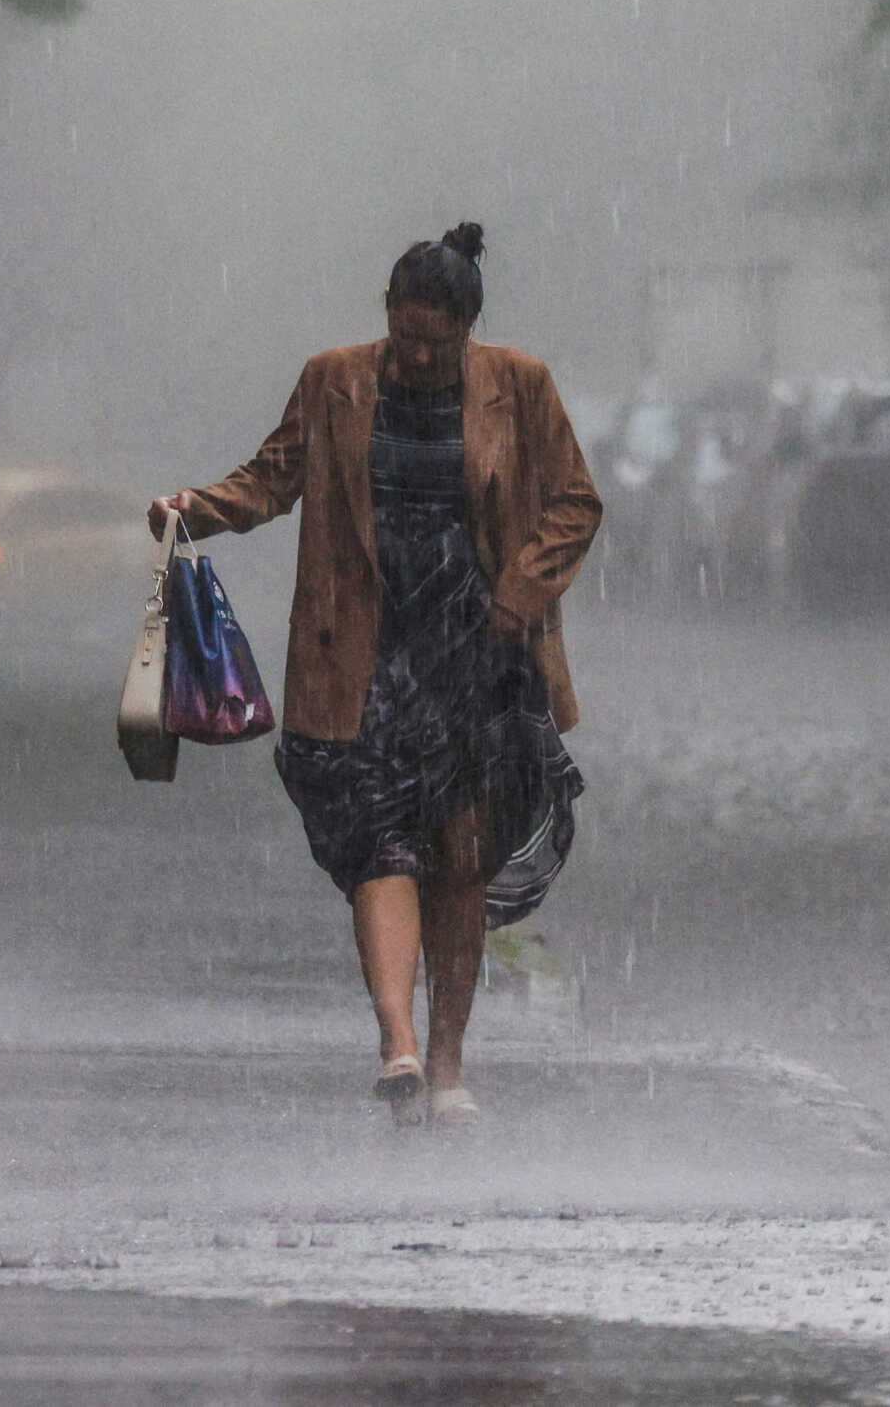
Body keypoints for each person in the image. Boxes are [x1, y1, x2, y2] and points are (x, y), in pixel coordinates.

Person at [149, 222, 600, 1128]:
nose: (421, 356)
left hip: (479, 652)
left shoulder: (520, 385)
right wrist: (197, 509)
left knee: (461, 859)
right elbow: (278, 476)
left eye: (440, 342)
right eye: (406, 335)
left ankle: (449, 1064)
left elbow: (575, 503)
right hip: (357, 651)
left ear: (470, 328)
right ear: (387, 316)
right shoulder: (334, 380)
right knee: (379, 849)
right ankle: (396, 1043)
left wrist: (518, 592)